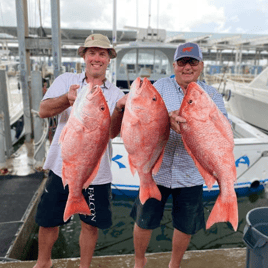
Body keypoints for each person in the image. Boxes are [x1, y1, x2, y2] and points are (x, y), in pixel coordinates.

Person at [110, 42, 230, 268]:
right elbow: (144, 113)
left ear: (201, 65)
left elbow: (224, 129)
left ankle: (174, 264)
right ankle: (139, 262)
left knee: (185, 225)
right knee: (143, 220)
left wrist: (194, 124)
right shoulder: (159, 88)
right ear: (174, 65)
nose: (187, 67)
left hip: (191, 174)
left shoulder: (212, 94)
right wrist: (166, 117)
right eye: (182, 62)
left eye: (192, 62)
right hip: (157, 170)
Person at [34, 33, 126, 268]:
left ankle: (84, 266)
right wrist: (67, 98)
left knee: (90, 224)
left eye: (102, 54)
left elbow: (113, 133)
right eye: (92, 52)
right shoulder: (67, 81)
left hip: (97, 172)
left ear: (109, 59)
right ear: (84, 56)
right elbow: (43, 110)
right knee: (47, 221)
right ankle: (43, 262)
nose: (97, 58)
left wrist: (117, 111)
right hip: (62, 166)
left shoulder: (116, 94)